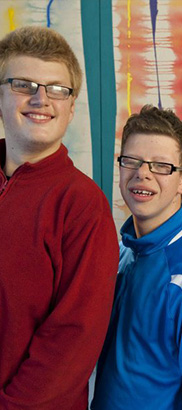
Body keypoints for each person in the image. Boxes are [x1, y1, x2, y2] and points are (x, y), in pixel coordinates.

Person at [0, 26, 119, 410]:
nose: (41, 98)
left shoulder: (83, 206)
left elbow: (73, 341)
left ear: (70, 105)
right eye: (23, 84)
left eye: (57, 89)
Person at [91, 105, 182, 410]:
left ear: (181, 181)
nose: (142, 173)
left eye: (161, 165)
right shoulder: (124, 251)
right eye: (132, 161)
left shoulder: (178, 274)